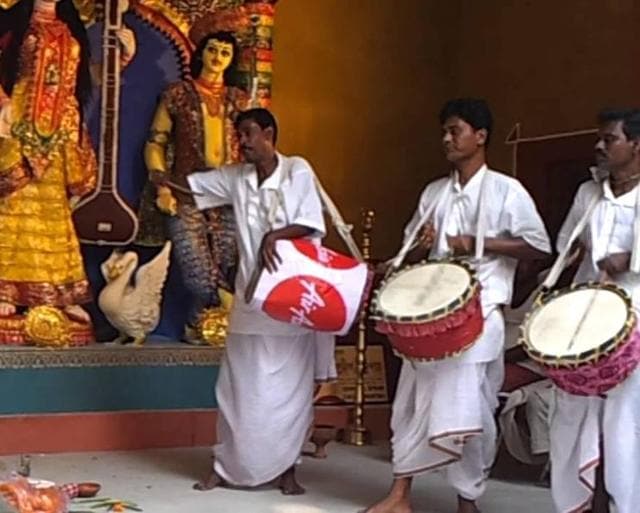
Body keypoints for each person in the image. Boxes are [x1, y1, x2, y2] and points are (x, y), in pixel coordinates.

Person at [363, 98, 551, 513]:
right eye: (444, 132)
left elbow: (539, 246)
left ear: (480, 137)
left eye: (455, 131)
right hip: (428, 321)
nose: (447, 139)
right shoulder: (434, 192)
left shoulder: (507, 190)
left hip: (479, 318)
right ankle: (400, 495)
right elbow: (409, 252)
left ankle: (468, 500)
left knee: (472, 408)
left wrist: (476, 244)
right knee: (412, 403)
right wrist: (420, 248)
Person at [176, 107, 333, 494]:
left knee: (290, 391)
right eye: (238, 134)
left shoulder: (297, 169)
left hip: (292, 299)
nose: (242, 141)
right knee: (238, 389)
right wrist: (160, 173)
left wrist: (274, 237)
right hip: (250, 301)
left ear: (269, 133)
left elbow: (313, 223)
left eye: (248, 133)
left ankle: (287, 469)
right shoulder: (237, 177)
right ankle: (226, 466)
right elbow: (193, 189)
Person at [0, 0, 134, 328]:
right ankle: (6, 291)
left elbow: (84, 81)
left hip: (60, 128)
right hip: (17, 122)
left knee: (55, 211)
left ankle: (54, 294)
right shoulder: (12, 22)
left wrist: (122, 57)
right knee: (14, 206)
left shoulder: (71, 29)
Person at [549, 108, 640, 513]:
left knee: (624, 424)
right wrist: (567, 256)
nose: (600, 146)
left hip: (632, 323)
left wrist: (630, 258)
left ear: (636, 145)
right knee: (570, 413)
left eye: (609, 139)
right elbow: (565, 243)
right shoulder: (589, 193)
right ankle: (577, 504)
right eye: (599, 139)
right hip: (583, 320)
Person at [141, 28, 249, 343]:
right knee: (193, 260)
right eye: (213, 50)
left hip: (228, 193)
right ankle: (225, 306)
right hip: (185, 190)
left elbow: (251, 147)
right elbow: (155, 142)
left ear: (232, 61)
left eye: (225, 53)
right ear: (201, 53)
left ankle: (203, 324)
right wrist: (162, 185)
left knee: (227, 259)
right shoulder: (178, 94)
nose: (217, 58)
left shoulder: (238, 100)